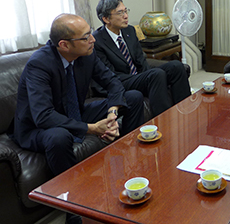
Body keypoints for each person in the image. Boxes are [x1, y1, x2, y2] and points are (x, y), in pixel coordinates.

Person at [12, 14, 144, 224]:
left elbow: (114, 83)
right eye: (86, 37)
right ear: (64, 44)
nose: (93, 39)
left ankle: (133, 160)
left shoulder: (86, 55)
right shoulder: (39, 65)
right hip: (36, 128)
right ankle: (74, 208)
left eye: (90, 33)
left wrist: (112, 114)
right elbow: (43, 115)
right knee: (59, 136)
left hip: (74, 113)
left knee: (133, 97)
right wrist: (92, 128)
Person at [93, 0, 191, 117]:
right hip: (121, 81)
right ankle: (165, 121)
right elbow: (109, 75)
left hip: (138, 76)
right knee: (156, 75)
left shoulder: (129, 31)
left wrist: (145, 78)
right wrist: (146, 77)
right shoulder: (97, 41)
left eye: (125, 11)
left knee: (176, 66)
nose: (126, 16)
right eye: (120, 13)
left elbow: (140, 59)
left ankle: (186, 112)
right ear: (106, 19)